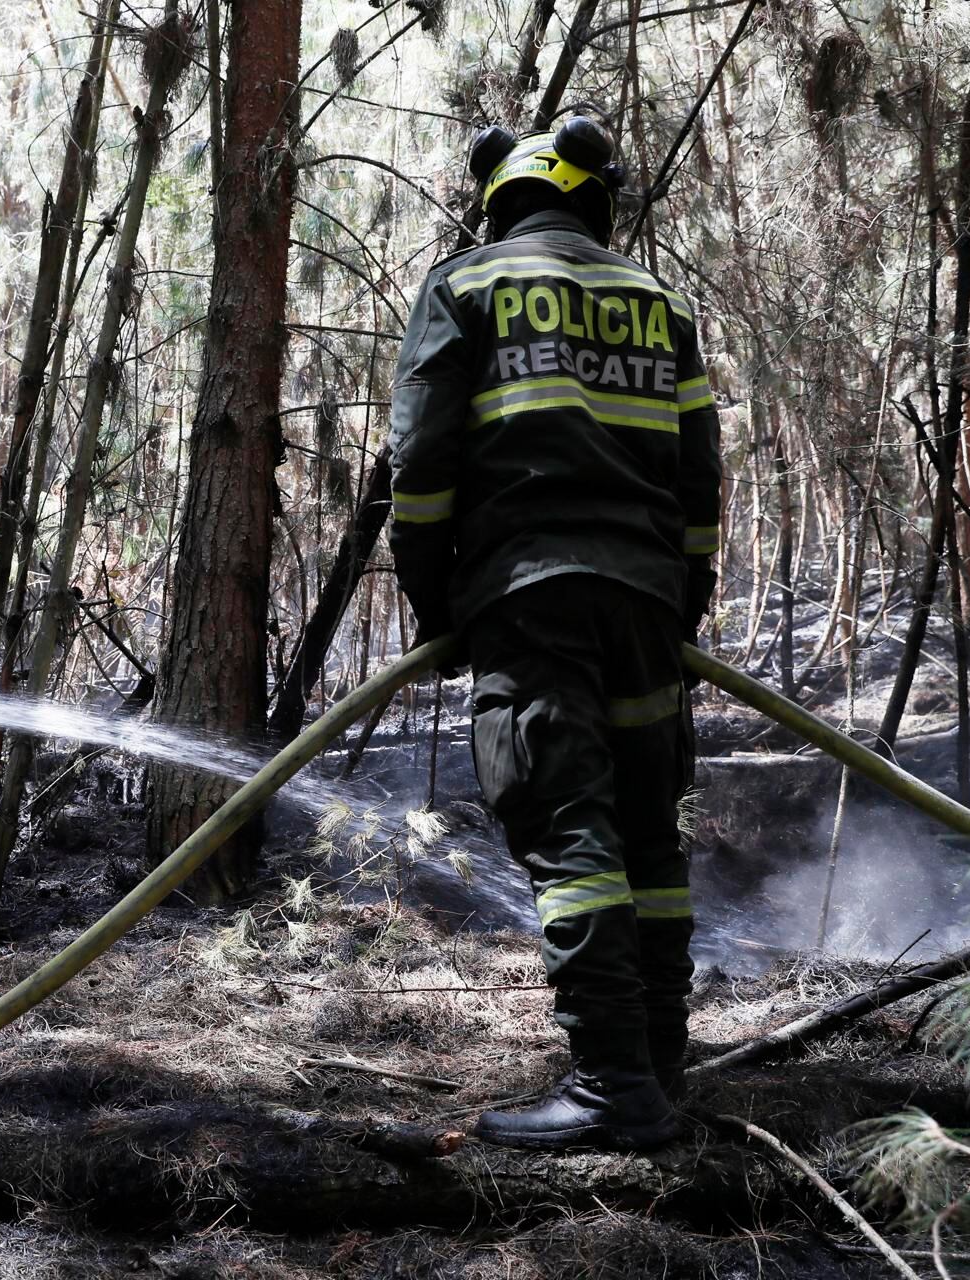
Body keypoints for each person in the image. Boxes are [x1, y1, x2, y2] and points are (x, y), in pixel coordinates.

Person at [386, 115, 722, 1151]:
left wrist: (441, 608)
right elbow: (700, 477)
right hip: (646, 603)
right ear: (592, 198)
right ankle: (660, 1063)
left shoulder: (466, 285)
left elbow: (423, 469)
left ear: (501, 199)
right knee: (646, 829)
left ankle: (613, 1083)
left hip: (529, 599)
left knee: (564, 818)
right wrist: (681, 599)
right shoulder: (656, 300)